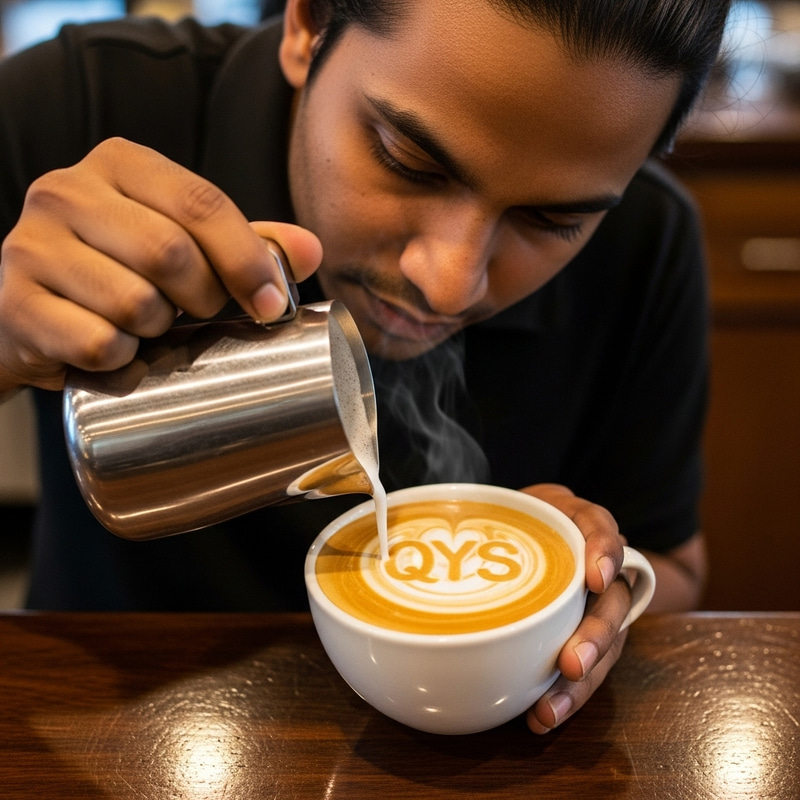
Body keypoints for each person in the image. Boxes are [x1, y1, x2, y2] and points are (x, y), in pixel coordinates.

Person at [0, 0, 731, 734]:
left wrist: (588, 592)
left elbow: (672, 564)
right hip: (99, 724)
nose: (449, 284)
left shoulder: (648, 241)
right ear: (308, 25)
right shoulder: (75, 101)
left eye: (551, 221)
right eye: (408, 161)